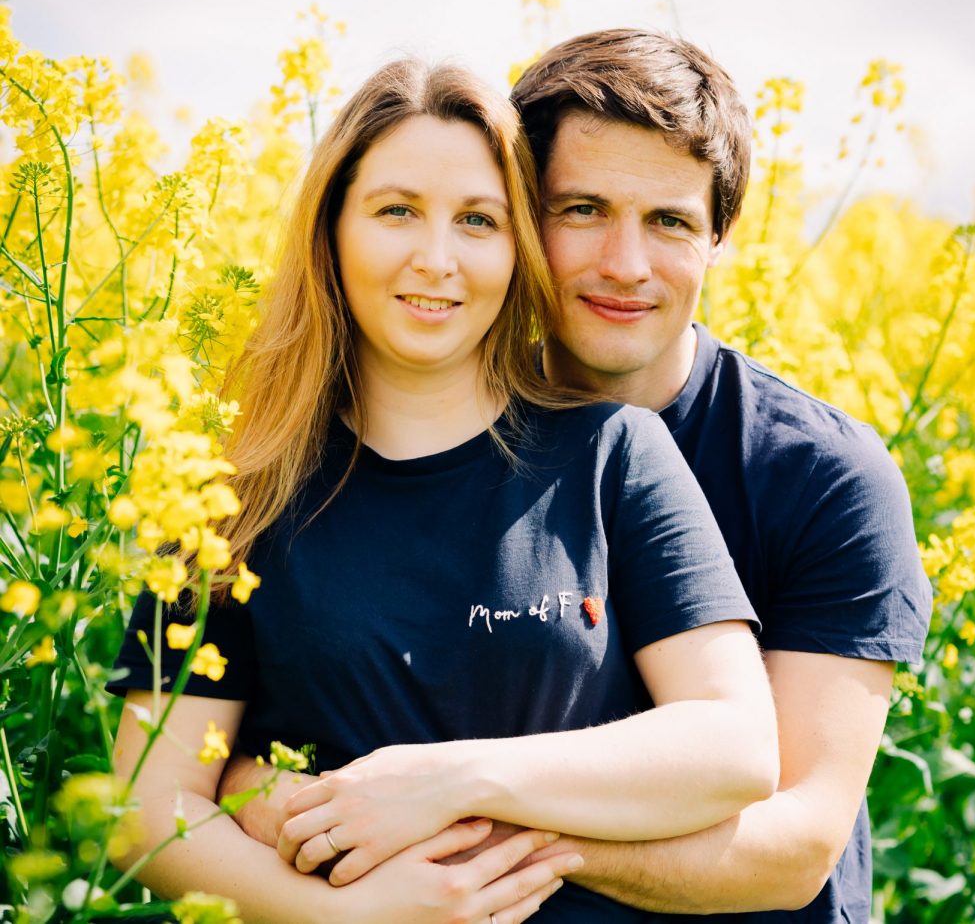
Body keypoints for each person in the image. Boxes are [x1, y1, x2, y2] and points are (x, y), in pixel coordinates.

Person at [109, 58, 779, 923]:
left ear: (517, 250)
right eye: (395, 211)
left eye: (477, 220)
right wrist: (348, 917)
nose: (437, 259)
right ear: (333, 231)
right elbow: (146, 804)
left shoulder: (613, 453)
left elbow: (733, 748)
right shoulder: (237, 490)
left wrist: (452, 782)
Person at [498, 29, 932, 922]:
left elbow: (795, 846)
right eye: (581, 209)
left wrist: (483, 820)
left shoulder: (825, 476)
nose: (626, 264)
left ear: (720, 236)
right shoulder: (443, 440)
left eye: (669, 221)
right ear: (519, 216)